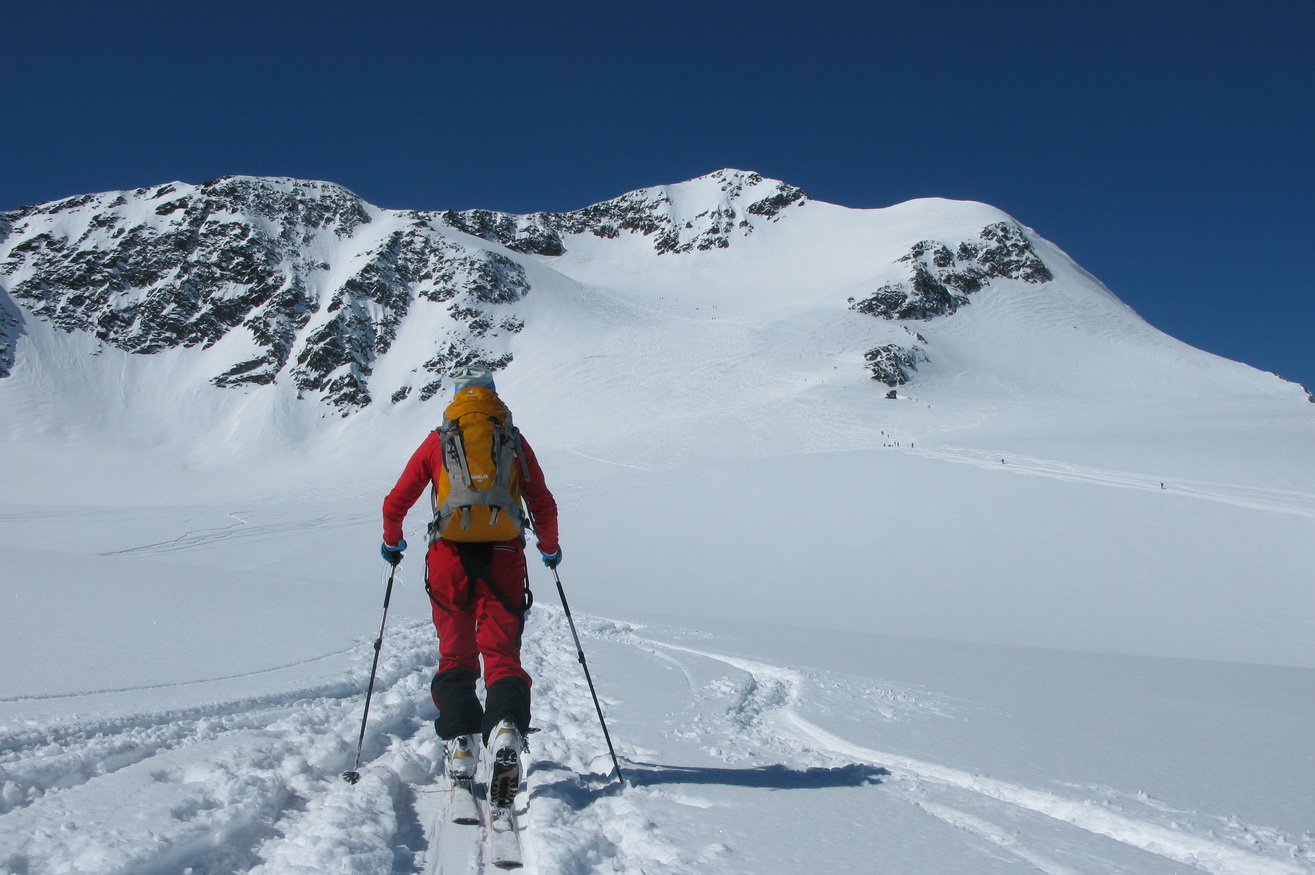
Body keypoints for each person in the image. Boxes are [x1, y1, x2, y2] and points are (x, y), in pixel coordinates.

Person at [380, 363, 560, 801]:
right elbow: (542, 503)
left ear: (457, 396)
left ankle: (461, 745)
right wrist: (550, 550)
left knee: (455, 652)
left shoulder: (439, 440)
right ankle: (504, 731)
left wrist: (392, 543)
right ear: (493, 394)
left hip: (448, 556)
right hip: (505, 555)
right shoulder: (513, 440)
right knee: (500, 652)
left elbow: (396, 501)